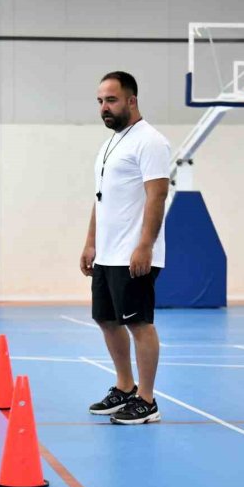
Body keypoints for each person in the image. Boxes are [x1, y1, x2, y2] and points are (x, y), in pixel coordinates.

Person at [80, 71, 170, 425]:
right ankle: (125, 386)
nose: (104, 107)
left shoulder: (150, 141)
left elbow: (157, 196)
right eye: (100, 101)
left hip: (133, 253)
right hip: (107, 253)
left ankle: (146, 400)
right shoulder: (109, 145)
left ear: (131, 100)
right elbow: (100, 198)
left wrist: (145, 245)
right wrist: (90, 242)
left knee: (138, 323)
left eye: (111, 100)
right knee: (105, 319)